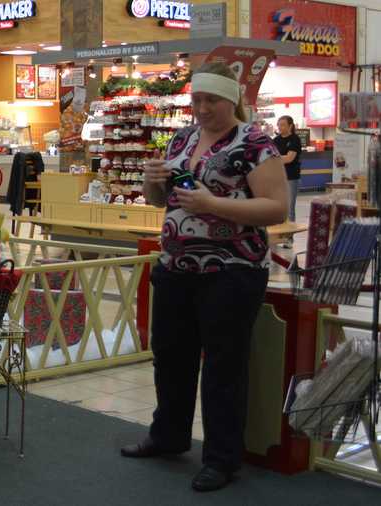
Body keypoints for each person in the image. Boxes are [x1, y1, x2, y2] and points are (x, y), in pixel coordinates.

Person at [120, 62, 288, 492]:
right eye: (196, 99)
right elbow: (164, 201)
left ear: (231, 99)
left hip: (231, 271)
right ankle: (168, 435)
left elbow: (275, 207)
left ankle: (222, 458)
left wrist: (214, 205)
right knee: (171, 358)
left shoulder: (255, 143)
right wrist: (151, 181)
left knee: (223, 368)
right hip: (176, 267)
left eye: (210, 100)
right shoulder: (183, 137)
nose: (201, 108)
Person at [273, 115, 302, 230]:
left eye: (283, 125)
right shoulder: (275, 140)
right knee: (276, 207)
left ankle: (289, 238)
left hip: (291, 177)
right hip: (276, 177)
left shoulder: (295, 139)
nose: (280, 127)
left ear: (290, 126)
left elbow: (289, 158)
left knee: (289, 208)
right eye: (279, 125)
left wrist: (275, 159)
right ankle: (278, 234)